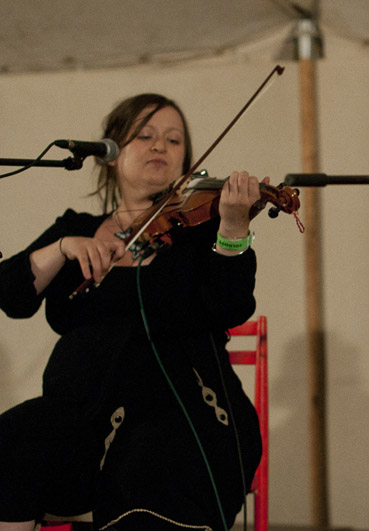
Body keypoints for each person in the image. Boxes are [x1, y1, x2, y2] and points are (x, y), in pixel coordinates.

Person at [0, 93, 265, 530]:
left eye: (173, 140)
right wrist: (62, 248)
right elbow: (11, 295)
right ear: (110, 152)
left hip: (178, 411)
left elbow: (231, 303)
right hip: (83, 416)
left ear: (185, 160)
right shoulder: (76, 229)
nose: (159, 146)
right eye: (145, 135)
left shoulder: (201, 231)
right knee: (12, 439)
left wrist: (234, 229)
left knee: (149, 464)